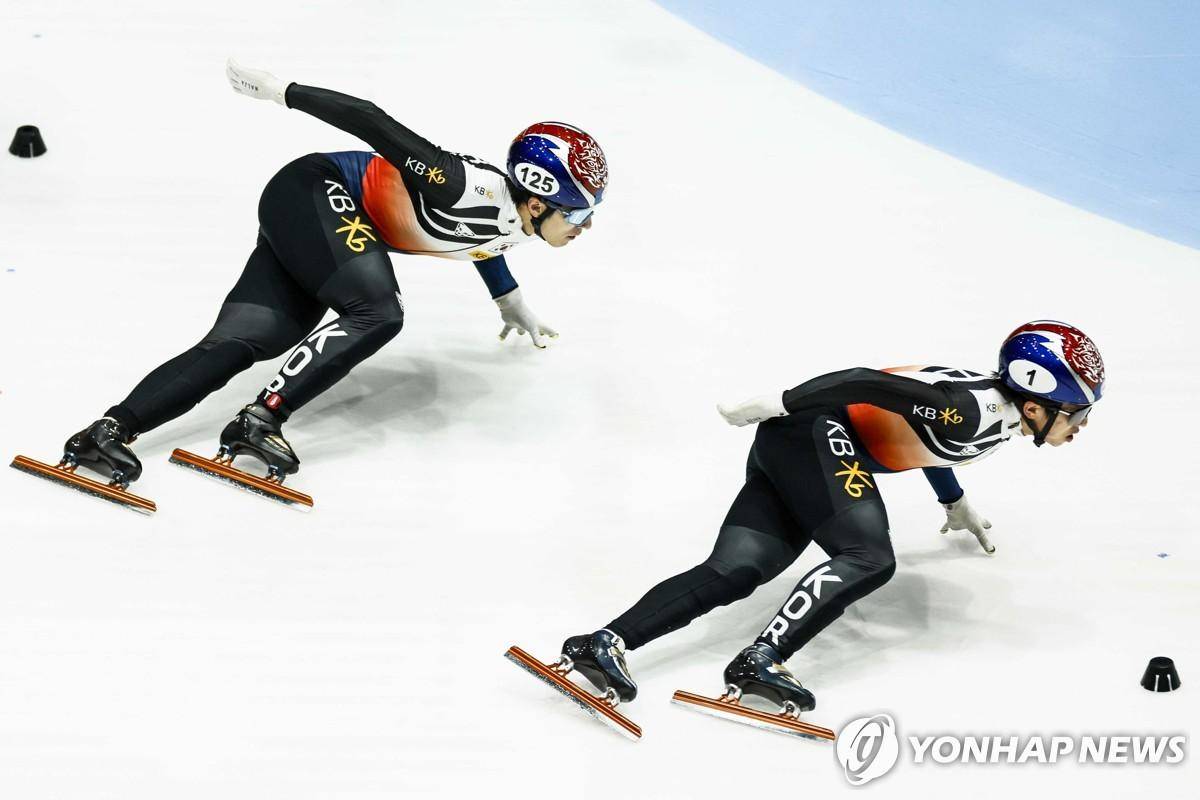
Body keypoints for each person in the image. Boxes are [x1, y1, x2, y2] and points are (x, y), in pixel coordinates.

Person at [50, 59, 609, 489]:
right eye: (579, 214)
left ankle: (108, 431)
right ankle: (260, 420)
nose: (585, 226)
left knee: (249, 339)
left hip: (317, 221)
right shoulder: (461, 183)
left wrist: (509, 301)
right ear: (538, 201)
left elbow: (487, 242)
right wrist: (280, 91)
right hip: (316, 190)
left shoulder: (524, 221)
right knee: (379, 312)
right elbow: (370, 119)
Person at [548, 321, 1104, 718]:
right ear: (1037, 404)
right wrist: (780, 401)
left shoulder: (999, 415)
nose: (1081, 427)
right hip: (813, 431)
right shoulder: (970, 410)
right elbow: (864, 381)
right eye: (1078, 414)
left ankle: (604, 641)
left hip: (799, 444)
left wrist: (952, 500)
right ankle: (761, 659)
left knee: (738, 568)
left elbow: (931, 446)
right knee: (869, 557)